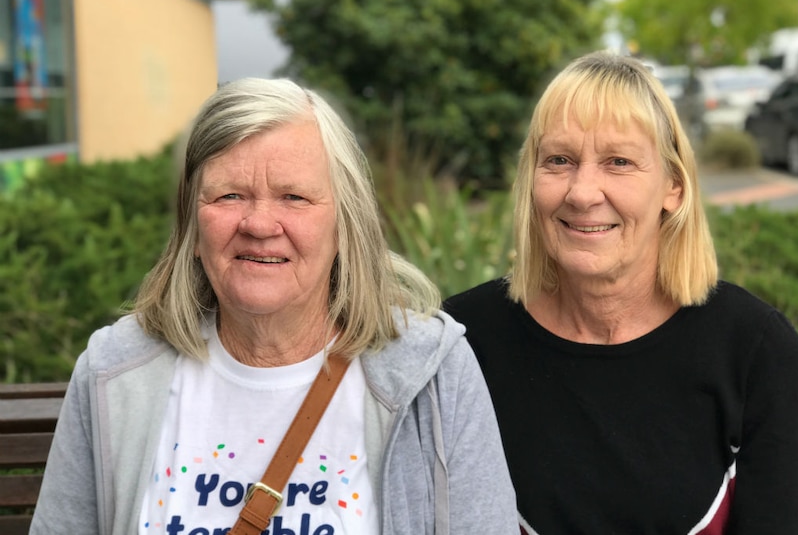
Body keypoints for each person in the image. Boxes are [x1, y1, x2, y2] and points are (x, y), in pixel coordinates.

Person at [31, 77, 518, 535]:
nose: (260, 223)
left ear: (344, 226)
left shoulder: (432, 372)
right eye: (229, 195)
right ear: (192, 229)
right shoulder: (114, 372)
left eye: (294, 197)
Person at [443, 51, 798, 534]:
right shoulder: (466, 341)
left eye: (618, 162)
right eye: (559, 160)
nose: (582, 192)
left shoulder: (751, 347)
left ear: (673, 187)